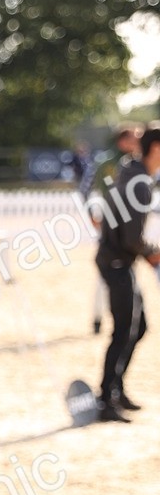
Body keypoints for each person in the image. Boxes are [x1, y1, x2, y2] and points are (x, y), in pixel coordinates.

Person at [95, 123, 160, 423]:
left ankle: (116, 390)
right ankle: (106, 399)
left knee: (139, 326)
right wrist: (153, 251)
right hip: (117, 262)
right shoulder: (139, 182)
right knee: (124, 330)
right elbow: (133, 238)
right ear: (156, 148)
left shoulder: (134, 172)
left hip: (119, 260)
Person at [87, 124, 142, 334]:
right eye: (134, 137)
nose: (137, 141)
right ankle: (98, 316)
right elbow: (88, 188)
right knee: (108, 269)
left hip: (126, 221)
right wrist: (92, 213)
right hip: (111, 221)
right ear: (122, 141)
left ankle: (117, 317)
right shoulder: (107, 162)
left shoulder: (137, 162)